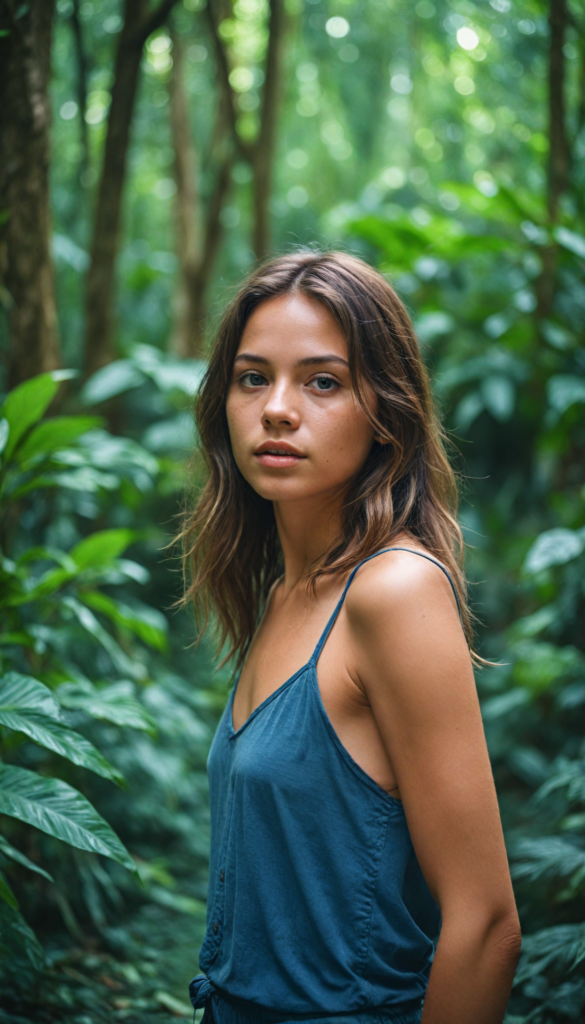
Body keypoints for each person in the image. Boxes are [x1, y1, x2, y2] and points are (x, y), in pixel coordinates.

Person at [181, 250, 521, 1024]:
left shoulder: (393, 591)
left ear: (384, 413)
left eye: (322, 381)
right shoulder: (283, 591)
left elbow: (487, 926)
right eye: (252, 377)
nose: (276, 408)